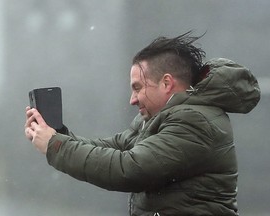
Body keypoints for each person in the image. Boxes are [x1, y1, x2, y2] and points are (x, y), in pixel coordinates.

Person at [25, 31, 260, 216]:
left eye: (137, 87)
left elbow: (127, 169)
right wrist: (57, 134)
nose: (132, 99)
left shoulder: (194, 121)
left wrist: (55, 145)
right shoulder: (161, 118)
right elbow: (114, 147)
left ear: (166, 83)